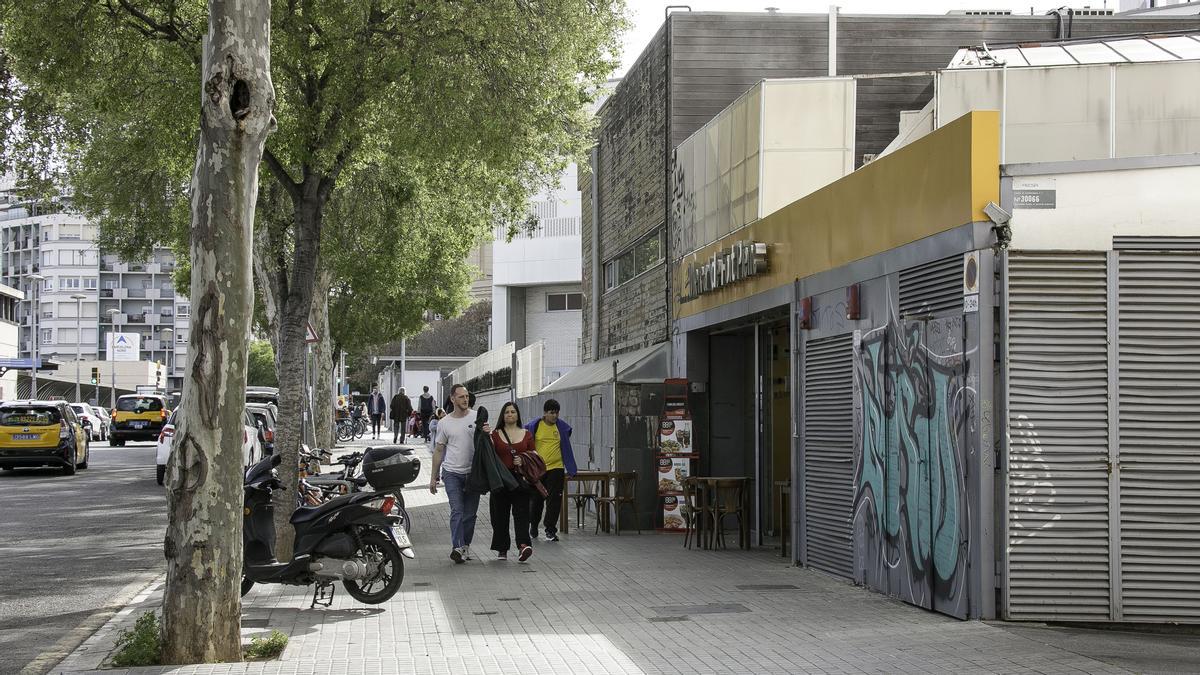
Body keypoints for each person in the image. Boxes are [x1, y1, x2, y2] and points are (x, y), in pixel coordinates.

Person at [430, 385, 489, 563]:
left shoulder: (477, 416)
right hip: (452, 473)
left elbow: (486, 442)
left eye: (467, 397)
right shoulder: (444, 423)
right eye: (461, 397)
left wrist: (488, 433)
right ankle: (456, 547)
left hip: (473, 474)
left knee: (470, 514)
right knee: (457, 510)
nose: (465, 400)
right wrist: (433, 476)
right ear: (453, 399)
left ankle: (465, 546)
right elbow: (439, 450)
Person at [489, 402, 536, 563]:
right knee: (499, 515)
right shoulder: (494, 435)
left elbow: (534, 455)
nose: (510, 414)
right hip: (501, 480)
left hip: (520, 479)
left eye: (513, 412)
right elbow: (489, 456)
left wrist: (522, 459)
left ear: (518, 415)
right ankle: (502, 548)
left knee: (522, 514)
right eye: (507, 412)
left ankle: (523, 546)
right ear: (503, 415)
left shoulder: (527, 434)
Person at [525, 398, 577, 542]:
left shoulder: (561, 427)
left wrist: (571, 468)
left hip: (556, 468)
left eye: (556, 413)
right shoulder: (535, 426)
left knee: (554, 500)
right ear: (545, 413)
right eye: (551, 413)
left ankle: (550, 530)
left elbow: (566, 444)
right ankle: (533, 525)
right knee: (536, 500)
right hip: (538, 470)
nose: (554, 416)